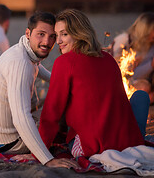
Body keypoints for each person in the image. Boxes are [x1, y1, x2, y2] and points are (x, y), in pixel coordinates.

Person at [0, 12, 79, 169]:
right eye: (41, 34)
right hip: (2, 142)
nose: (46, 42)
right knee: (60, 122)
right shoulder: (20, 64)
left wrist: (60, 81)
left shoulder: (21, 50)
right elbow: (21, 118)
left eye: (52, 36)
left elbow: (37, 66)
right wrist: (47, 160)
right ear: (28, 33)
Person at [39, 9, 148, 159]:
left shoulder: (64, 62)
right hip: (126, 142)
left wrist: (39, 152)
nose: (58, 41)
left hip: (92, 145)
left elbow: (51, 112)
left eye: (64, 34)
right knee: (140, 96)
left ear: (79, 33)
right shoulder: (109, 59)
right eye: (56, 35)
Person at [111, 12, 154, 104]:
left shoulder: (150, 46)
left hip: (134, 80)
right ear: (145, 30)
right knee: (144, 90)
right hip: (116, 82)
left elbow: (138, 75)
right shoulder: (124, 40)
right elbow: (113, 67)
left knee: (145, 88)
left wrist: (150, 65)